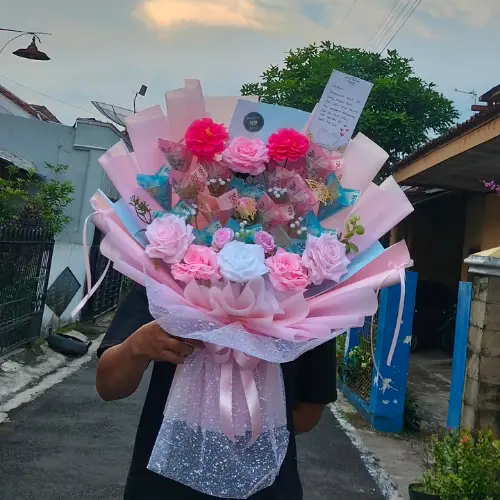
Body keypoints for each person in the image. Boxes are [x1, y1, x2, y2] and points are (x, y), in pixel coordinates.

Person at [96, 283, 337, 500]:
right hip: (165, 483)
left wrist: (220, 436)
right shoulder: (169, 272)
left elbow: (309, 410)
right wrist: (136, 346)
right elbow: (108, 385)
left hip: (264, 486)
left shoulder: (309, 286)